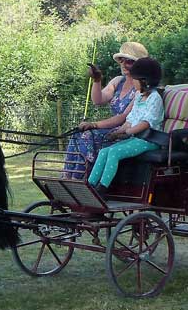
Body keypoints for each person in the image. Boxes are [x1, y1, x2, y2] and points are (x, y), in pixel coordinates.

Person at [64, 41, 149, 178]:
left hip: (127, 132)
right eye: (121, 60)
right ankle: (68, 177)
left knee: (87, 135)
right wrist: (97, 80)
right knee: (76, 134)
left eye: (129, 61)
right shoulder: (118, 81)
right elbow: (98, 100)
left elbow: (122, 117)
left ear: (139, 65)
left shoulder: (141, 88)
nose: (123, 64)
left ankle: (81, 179)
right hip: (111, 129)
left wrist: (94, 125)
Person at [88, 58, 165, 196]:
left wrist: (128, 132)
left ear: (144, 80)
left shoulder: (155, 98)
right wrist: (118, 132)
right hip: (136, 139)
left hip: (149, 140)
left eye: (135, 79)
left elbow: (146, 123)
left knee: (114, 153)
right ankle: (90, 185)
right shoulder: (139, 97)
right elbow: (130, 120)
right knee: (104, 151)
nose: (133, 82)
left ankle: (103, 188)